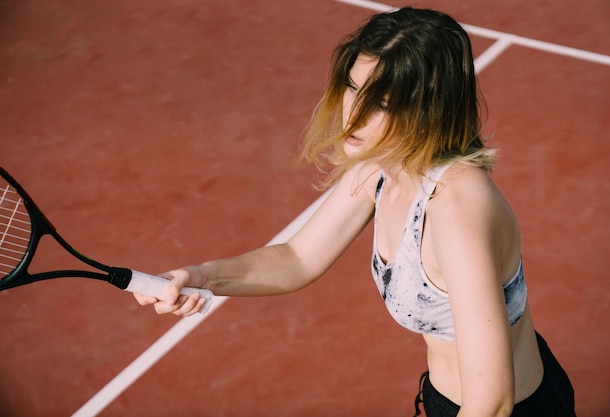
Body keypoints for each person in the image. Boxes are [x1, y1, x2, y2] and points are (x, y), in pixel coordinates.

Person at [134, 7, 576, 417]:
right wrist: (199, 276)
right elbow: (297, 260)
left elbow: (492, 400)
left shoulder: (457, 209)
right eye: (353, 87)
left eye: (382, 103)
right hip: (449, 401)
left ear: (430, 109)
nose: (354, 115)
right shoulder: (383, 168)